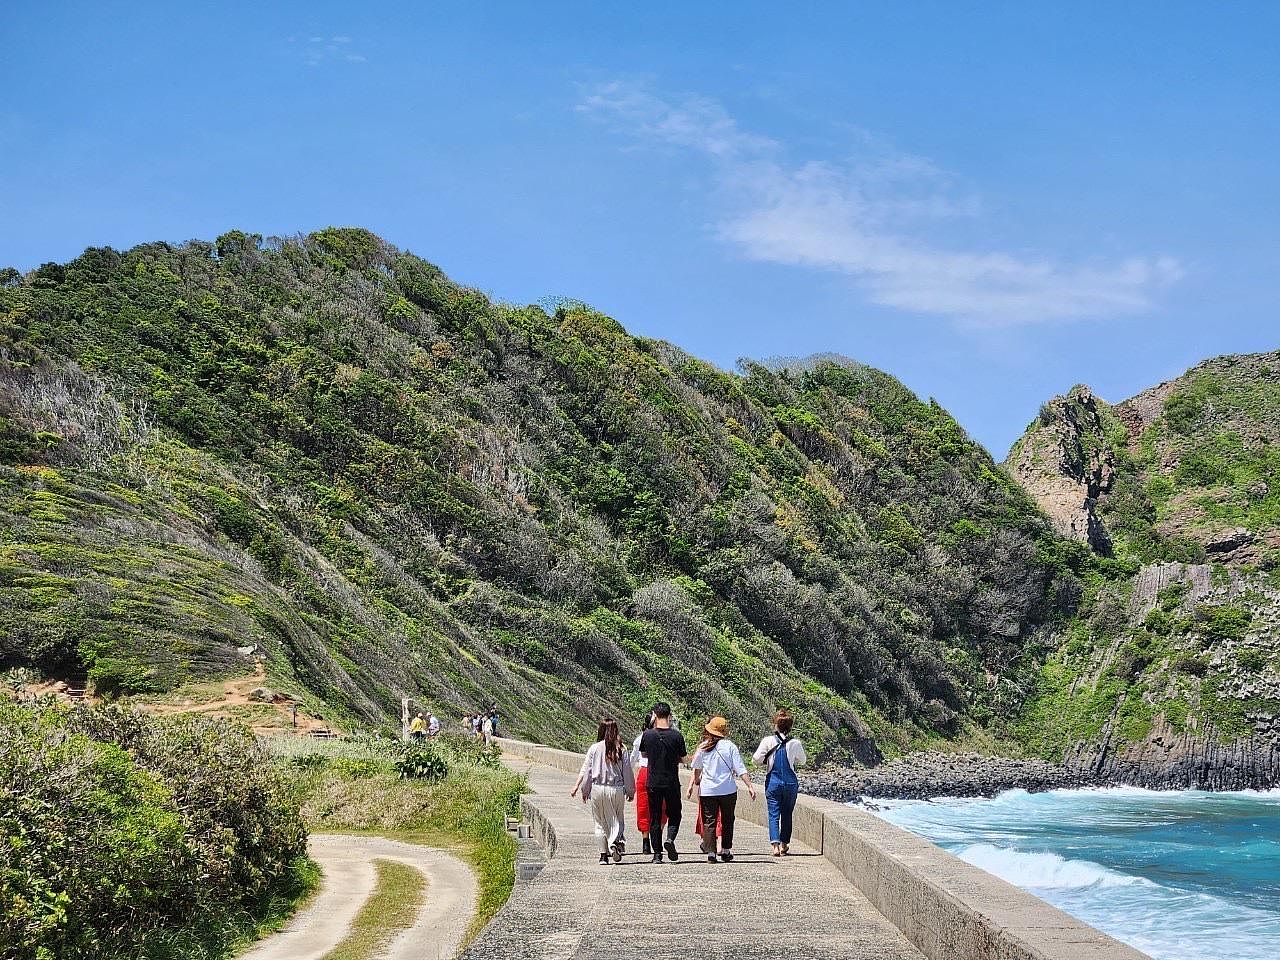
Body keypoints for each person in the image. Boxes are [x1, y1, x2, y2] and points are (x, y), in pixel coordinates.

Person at [688, 716, 755, 862]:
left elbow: (697, 768)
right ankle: (725, 850)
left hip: (708, 791)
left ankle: (711, 853)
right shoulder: (730, 746)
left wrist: (696, 781)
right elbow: (740, 768)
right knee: (727, 820)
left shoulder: (703, 747)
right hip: (728, 790)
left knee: (709, 821)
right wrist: (749, 785)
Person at [571, 718, 636, 864]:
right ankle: (615, 843)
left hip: (598, 789)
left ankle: (603, 856)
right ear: (615, 731)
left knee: (599, 822)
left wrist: (584, 790)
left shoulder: (594, 748)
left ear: (600, 730)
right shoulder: (622, 749)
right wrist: (631, 791)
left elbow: (587, 770)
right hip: (617, 790)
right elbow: (628, 773)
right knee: (618, 819)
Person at [753, 708, 807, 856]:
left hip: (773, 782)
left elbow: (755, 759)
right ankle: (784, 844)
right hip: (790, 783)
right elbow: (803, 760)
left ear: (775, 725)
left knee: (773, 813)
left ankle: (775, 846)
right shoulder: (795, 743)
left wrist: (766, 760)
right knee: (787, 813)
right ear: (790, 727)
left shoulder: (768, 741)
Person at [639, 701, 687, 863]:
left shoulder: (648, 735)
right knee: (674, 814)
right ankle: (670, 839)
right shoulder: (676, 736)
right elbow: (682, 758)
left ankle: (657, 855)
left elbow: (644, 754)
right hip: (671, 782)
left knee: (655, 817)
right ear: (669, 716)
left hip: (653, 782)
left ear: (654, 715)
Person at [631, 712, 665, 855]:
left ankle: (646, 842)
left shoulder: (639, 739)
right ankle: (658, 839)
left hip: (643, 773)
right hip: (658, 773)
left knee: (643, 808)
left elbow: (632, 759)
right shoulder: (662, 737)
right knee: (662, 808)